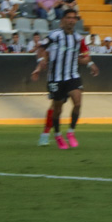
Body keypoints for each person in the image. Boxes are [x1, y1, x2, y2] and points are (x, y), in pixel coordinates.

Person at [30, 9, 99, 149]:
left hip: (72, 76)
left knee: (77, 102)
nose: (71, 20)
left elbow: (85, 56)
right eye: (68, 18)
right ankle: (49, 135)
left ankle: (69, 132)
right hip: (55, 77)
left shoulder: (78, 38)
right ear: (63, 20)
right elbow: (44, 52)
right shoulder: (54, 36)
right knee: (56, 108)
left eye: (74, 18)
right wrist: (40, 65)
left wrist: (89, 63)